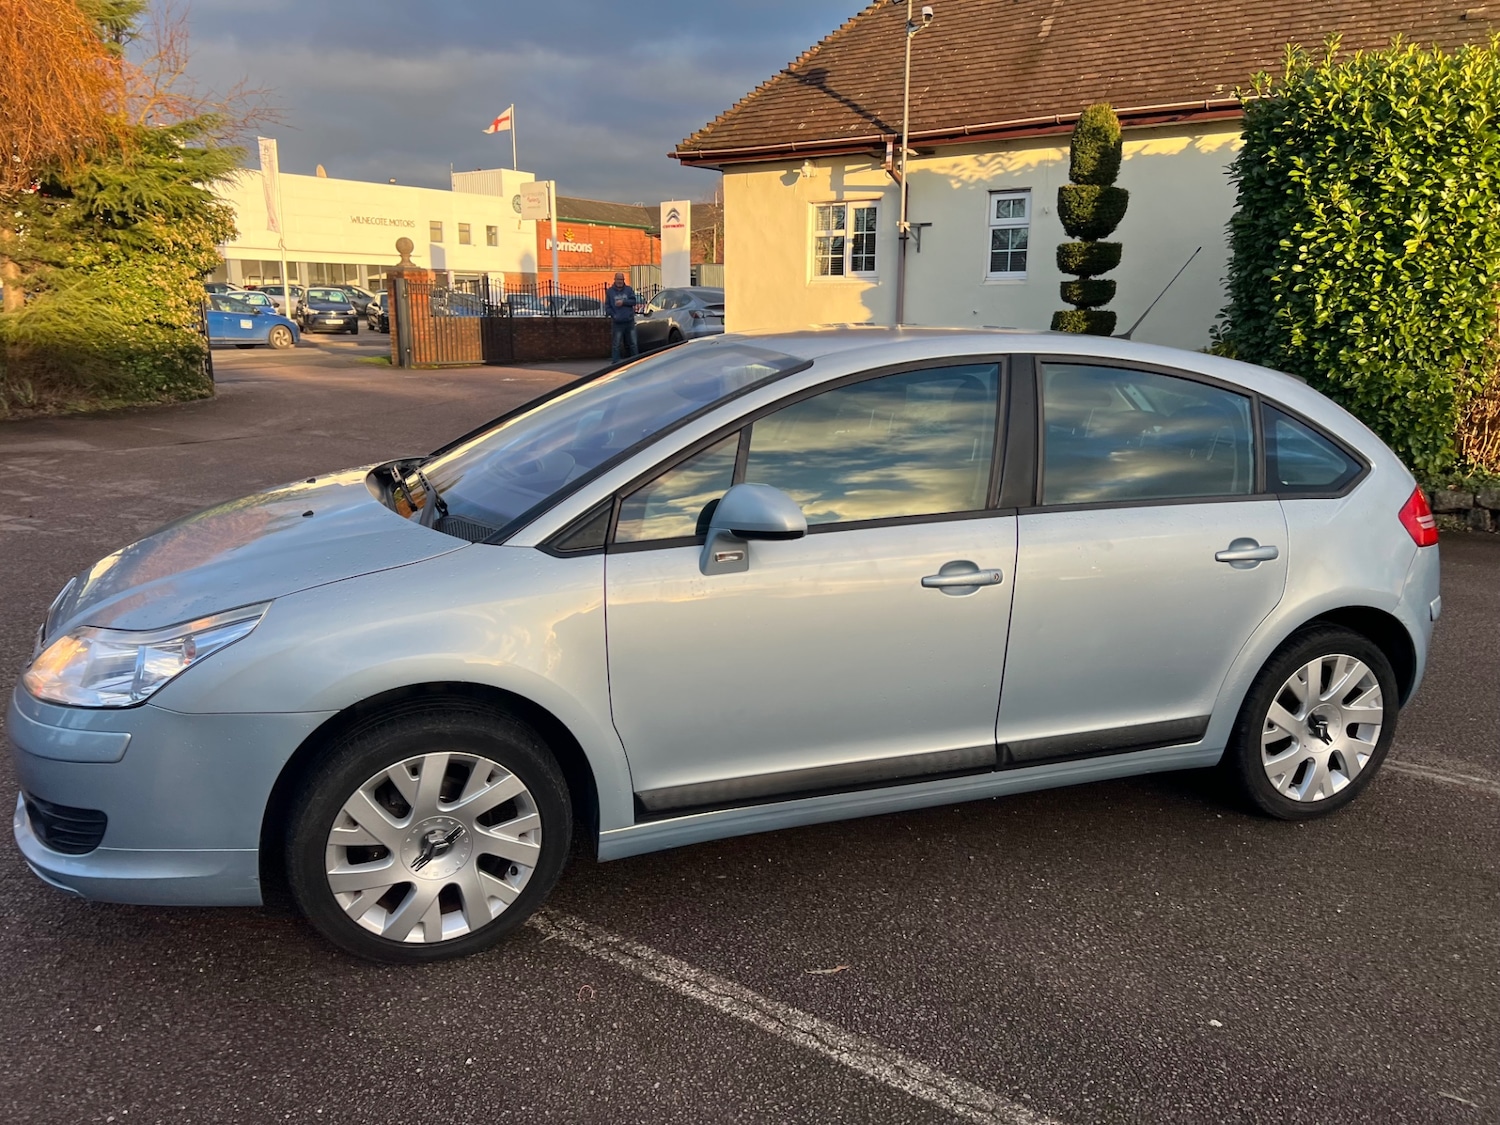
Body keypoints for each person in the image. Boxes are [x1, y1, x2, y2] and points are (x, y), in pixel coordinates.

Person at [605, 272, 639, 363]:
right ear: (615, 279)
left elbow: (634, 301)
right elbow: (607, 306)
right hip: (617, 322)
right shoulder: (610, 292)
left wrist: (623, 302)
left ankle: (636, 362)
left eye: (621, 279)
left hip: (629, 321)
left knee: (633, 343)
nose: (620, 281)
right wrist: (613, 315)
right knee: (616, 344)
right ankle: (615, 363)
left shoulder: (629, 290)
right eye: (618, 279)